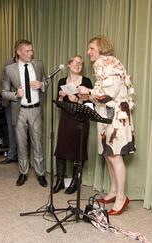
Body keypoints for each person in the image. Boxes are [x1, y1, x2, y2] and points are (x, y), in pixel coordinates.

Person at [78, 35, 135, 215]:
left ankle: (121, 197)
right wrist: (89, 95)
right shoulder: (106, 64)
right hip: (107, 115)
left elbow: (109, 94)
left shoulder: (106, 63)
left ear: (101, 49)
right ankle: (113, 191)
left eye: (91, 48)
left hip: (115, 117)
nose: (88, 53)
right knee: (108, 155)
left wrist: (88, 91)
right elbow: (103, 92)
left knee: (114, 156)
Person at [1, 39, 48, 187]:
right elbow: (3, 92)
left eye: (31, 50)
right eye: (27, 51)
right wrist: (16, 95)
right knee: (21, 144)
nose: (31, 53)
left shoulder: (38, 64)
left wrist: (41, 84)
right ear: (18, 52)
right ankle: (23, 173)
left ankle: (41, 174)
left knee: (38, 143)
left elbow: (46, 81)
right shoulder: (10, 69)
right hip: (19, 111)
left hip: (35, 109)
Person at [53, 55, 93, 194]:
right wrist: (60, 96)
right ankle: (59, 180)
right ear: (69, 65)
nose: (78, 65)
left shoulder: (86, 81)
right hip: (66, 119)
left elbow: (91, 105)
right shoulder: (62, 81)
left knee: (78, 150)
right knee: (61, 150)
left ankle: (75, 181)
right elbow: (58, 104)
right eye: (75, 63)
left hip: (80, 120)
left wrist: (76, 100)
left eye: (80, 64)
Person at [0, 41, 21, 165]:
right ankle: (12, 154)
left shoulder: (30, 63)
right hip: (10, 101)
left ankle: (23, 156)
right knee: (11, 129)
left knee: (24, 130)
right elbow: (4, 80)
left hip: (24, 103)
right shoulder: (8, 63)